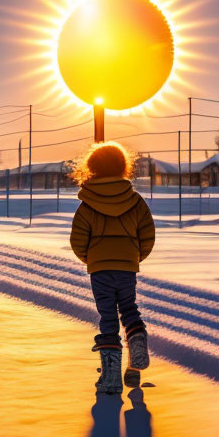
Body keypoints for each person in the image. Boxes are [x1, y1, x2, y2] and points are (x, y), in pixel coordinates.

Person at [69, 141, 155, 394]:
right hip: (127, 267)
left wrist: (91, 259)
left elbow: (77, 240)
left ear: (92, 168)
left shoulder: (87, 204)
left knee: (107, 317)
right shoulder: (136, 201)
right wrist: (135, 257)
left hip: (100, 270)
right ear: (123, 167)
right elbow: (147, 234)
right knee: (128, 307)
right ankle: (136, 336)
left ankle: (110, 377)